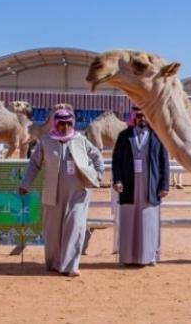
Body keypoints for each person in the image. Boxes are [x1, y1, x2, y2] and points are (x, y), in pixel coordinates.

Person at [19, 110, 103, 276]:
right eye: (61, 123)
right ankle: (55, 263)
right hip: (53, 192)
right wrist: (25, 184)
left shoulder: (81, 140)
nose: (65, 127)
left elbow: (97, 157)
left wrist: (97, 175)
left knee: (75, 225)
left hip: (78, 192)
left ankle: (70, 266)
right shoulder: (46, 142)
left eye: (68, 123)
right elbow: (34, 164)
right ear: (55, 124)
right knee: (53, 231)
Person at [112, 105, 170, 266]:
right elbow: (116, 161)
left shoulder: (157, 136)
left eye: (145, 116)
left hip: (150, 186)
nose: (142, 119)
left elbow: (164, 162)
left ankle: (149, 257)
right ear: (134, 117)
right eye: (139, 116)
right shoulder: (124, 136)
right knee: (128, 220)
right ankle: (127, 258)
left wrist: (164, 185)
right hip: (129, 186)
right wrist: (117, 180)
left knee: (148, 222)